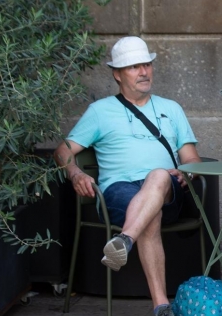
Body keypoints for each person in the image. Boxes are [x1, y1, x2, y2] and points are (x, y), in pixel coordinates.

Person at [54, 36, 201, 316]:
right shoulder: (100, 112)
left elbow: (191, 158)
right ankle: (161, 307)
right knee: (149, 212)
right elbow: (63, 152)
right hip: (118, 192)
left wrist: (187, 172)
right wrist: (74, 174)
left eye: (146, 64)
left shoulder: (171, 108)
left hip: (168, 189)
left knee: (157, 177)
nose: (144, 71)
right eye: (134, 67)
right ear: (117, 75)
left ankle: (124, 241)